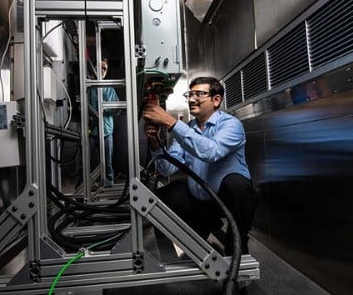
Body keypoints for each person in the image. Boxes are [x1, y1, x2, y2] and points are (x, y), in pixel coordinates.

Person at [143, 76, 257, 255]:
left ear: (216, 100)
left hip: (225, 201)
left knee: (238, 185)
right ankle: (173, 252)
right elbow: (167, 169)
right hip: (198, 200)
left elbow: (211, 152)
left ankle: (238, 245)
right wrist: (156, 144)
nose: (191, 99)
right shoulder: (187, 129)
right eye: (190, 94)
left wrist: (170, 122)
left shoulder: (231, 125)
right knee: (163, 197)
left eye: (199, 94)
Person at [88, 58, 120, 188]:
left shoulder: (109, 88)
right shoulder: (88, 87)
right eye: (99, 67)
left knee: (107, 162)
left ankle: (109, 185)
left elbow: (117, 108)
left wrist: (106, 108)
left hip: (106, 131)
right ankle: (83, 186)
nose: (102, 70)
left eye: (104, 68)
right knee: (85, 162)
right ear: (93, 68)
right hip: (90, 131)